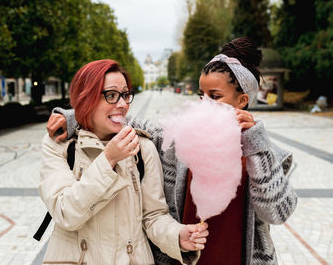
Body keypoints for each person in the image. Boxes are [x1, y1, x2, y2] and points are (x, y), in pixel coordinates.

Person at [46, 38, 298, 265]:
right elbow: (124, 120)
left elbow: (277, 212)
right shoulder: (179, 141)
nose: (204, 103)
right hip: (184, 257)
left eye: (215, 96)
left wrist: (256, 144)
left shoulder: (264, 153)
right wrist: (74, 117)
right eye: (201, 95)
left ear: (242, 101)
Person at [39, 59, 209, 265]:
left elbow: (153, 216)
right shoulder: (59, 145)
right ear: (86, 98)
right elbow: (65, 212)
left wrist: (177, 236)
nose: (122, 105)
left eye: (126, 95)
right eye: (111, 95)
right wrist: (108, 159)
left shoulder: (142, 147)